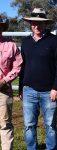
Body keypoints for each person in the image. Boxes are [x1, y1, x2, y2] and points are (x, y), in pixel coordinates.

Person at [19, 8, 57, 150]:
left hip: (49, 92)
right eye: (34, 23)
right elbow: (23, 67)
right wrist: (21, 88)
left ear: (46, 24)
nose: (36, 26)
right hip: (29, 90)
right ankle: (31, 148)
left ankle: (50, 148)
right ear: (30, 24)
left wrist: (56, 88)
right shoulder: (26, 42)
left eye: (40, 23)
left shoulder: (54, 41)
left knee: (50, 125)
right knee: (29, 125)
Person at [0, 15, 22, 150]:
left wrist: (4, 80)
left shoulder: (11, 46)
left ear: (2, 28)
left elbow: (17, 66)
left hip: (4, 90)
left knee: (5, 123)